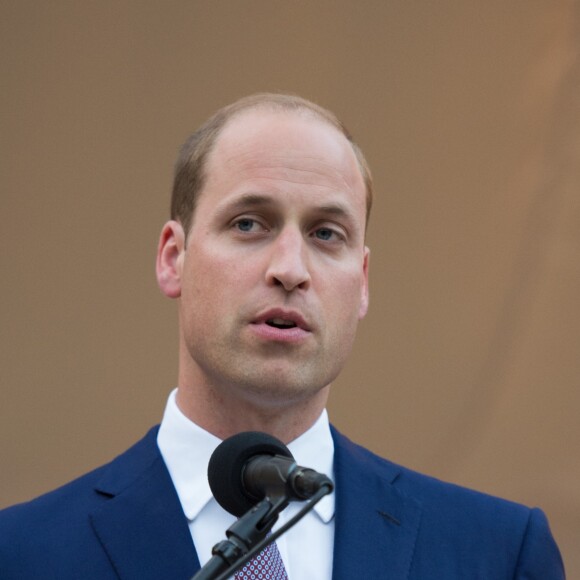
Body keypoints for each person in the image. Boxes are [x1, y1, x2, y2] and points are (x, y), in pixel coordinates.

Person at [0, 93, 565, 579]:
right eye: (249, 223)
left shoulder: (496, 553)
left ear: (362, 283)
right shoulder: (22, 554)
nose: (290, 268)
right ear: (175, 258)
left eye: (326, 233)